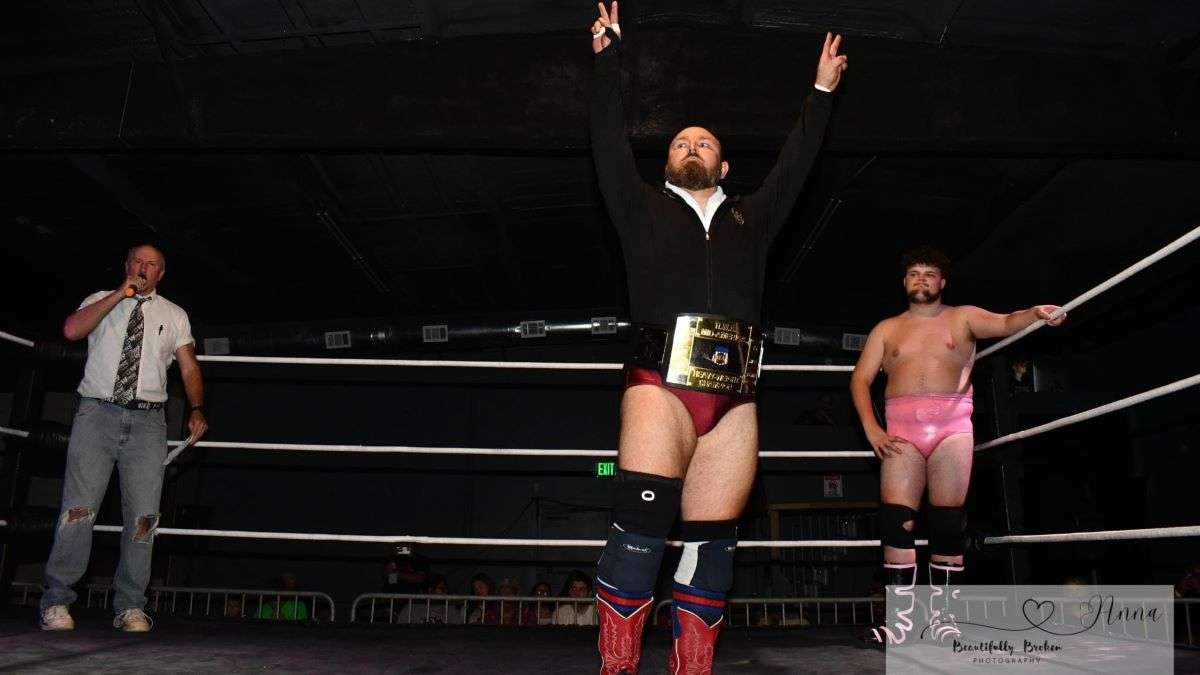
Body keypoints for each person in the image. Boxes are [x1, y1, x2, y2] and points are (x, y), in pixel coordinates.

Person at [588, 3, 847, 672]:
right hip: (659, 384)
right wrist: (606, 60)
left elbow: (796, 165)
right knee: (640, 529)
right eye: (679, 142)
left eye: (703, 142)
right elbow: (606, 140)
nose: (690, 147)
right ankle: (616, 663)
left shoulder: (751, 218)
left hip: (735, 394)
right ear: (666, 162)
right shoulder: (639, 207)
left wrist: (820, 94)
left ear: (724, 165)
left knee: (715, 545)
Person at [849, 245, 1065, 646]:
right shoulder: (886, 328)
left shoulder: (963, 317)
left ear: (942, 282)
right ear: (904, 283)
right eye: (915, 273)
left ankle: (943, 618)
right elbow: (860, 380)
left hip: (952, 428)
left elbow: (1004, 322)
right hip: (900, 431)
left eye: (929, 273)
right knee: (897, 522)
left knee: (949, 524)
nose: (922, 279)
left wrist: (1036, 312)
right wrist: (872, 430)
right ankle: (900, 623)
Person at [39, 244, 208, 633]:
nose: (143, 268)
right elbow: (70, 330)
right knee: (78, 510)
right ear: (127, 265)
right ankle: (57, 601)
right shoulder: (99, 299)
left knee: (144, 518)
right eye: (138, 261)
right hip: (97, 414)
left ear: (162, 273)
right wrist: (120, 294)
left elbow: (188, 366)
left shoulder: (174, 315)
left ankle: (131, 605)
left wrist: (197, 408)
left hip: (148, 423)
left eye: (152, 264)